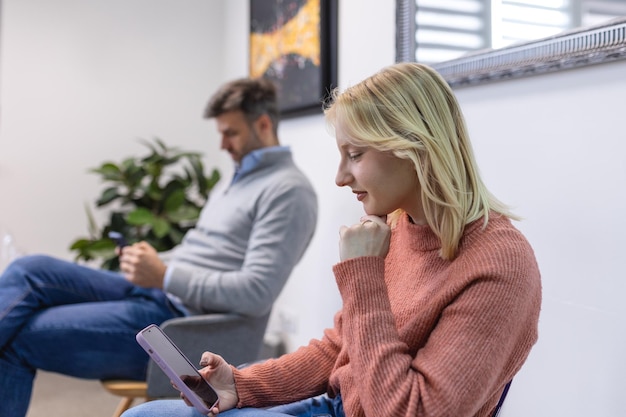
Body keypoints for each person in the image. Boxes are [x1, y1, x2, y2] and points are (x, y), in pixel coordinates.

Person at [122, 62, 542, 417]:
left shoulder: (498, 263)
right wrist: (243, 383)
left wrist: (364, 278)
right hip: (337, 404)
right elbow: (339, 348)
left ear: (416, 148)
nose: (341, 178)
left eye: (355, 155)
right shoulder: (397, 227)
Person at [0, 77, 318, 417]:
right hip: (156, 292)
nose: (223, 143)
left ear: (264, 124)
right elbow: (199, 253)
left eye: (231, 133)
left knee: (19, 336)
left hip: (178, 324)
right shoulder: (236, 178)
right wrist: (152, 261)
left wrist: (165, 275)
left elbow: (256, 292)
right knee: (28, 270)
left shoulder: (288, 192)